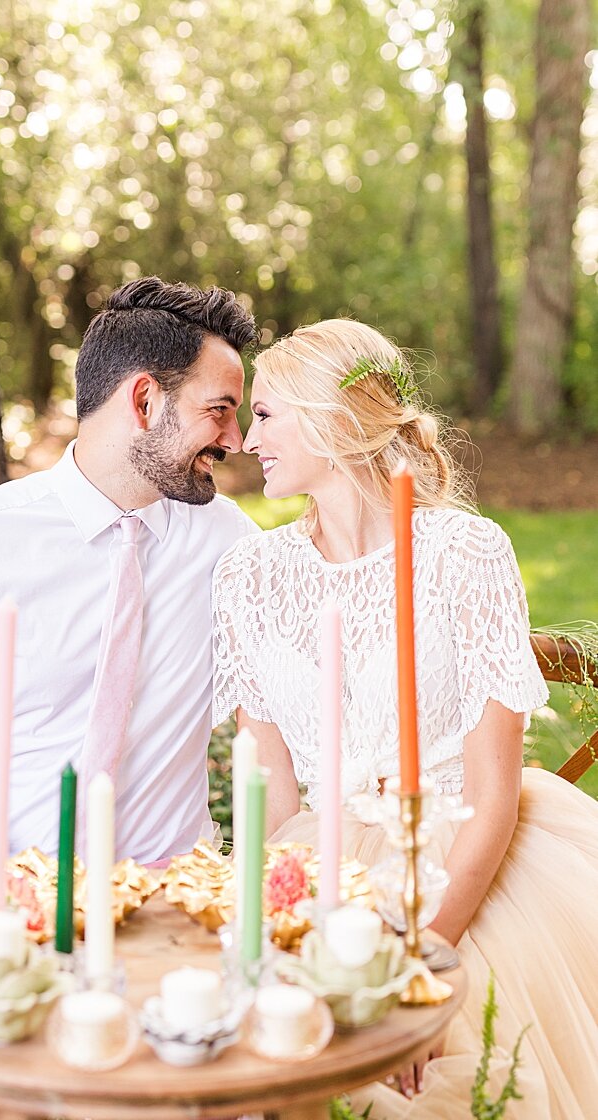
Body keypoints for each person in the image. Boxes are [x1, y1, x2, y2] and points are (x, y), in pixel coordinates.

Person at [213, 318, 598, 1118]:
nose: (249, 440)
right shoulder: (248, 573)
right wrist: (284, 924)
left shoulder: (468, 553)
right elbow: (276, 790)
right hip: (318, 869)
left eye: (268, 414)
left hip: (466, 864)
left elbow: (496, 793)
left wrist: (420, 964)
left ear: (331, 418)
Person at [0, 276, 259, 869]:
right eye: (219, 411)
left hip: (174, 902)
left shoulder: (230, 545)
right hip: (6, 897)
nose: (237, 438)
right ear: (145, 401)